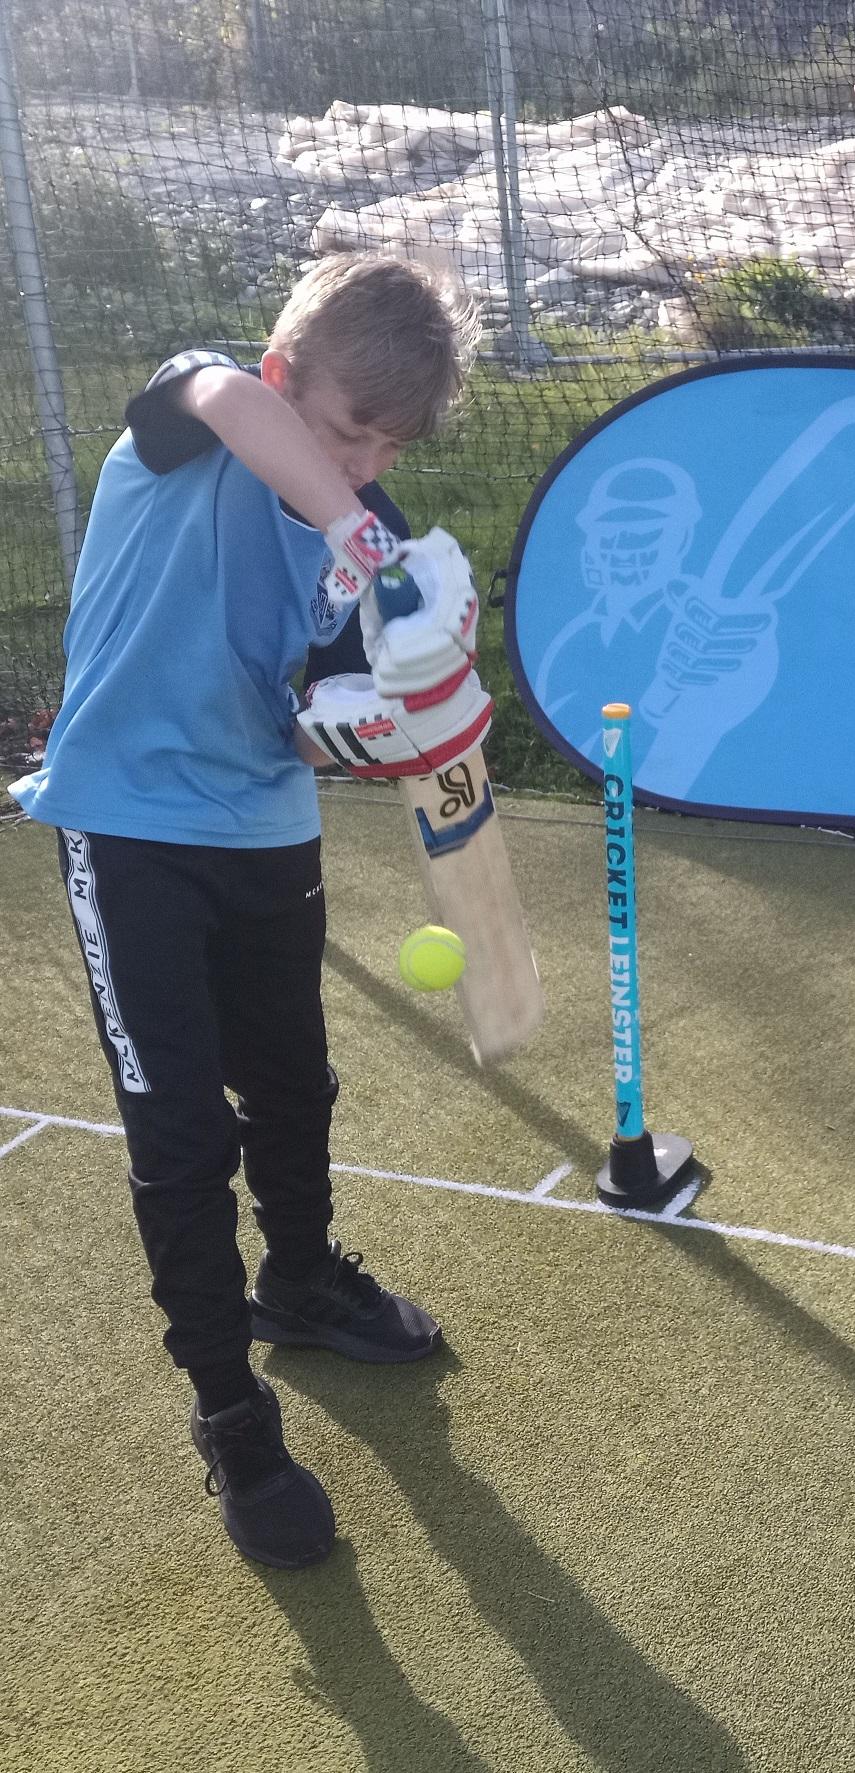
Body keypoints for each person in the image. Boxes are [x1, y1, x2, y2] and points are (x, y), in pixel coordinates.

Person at [7, 251, 492, 1569]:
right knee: (179, 1135)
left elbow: (315, 715)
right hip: (129, 826)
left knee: (295, 1084)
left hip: (264, 828)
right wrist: (352, 518)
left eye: (390, 442)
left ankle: (303, 1279)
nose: (369, 459)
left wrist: (393, 722)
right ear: (291, 378)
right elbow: (223, 396)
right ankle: (229, 1407)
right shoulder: (188, 425)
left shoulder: (363, 535)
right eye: (349, 426)